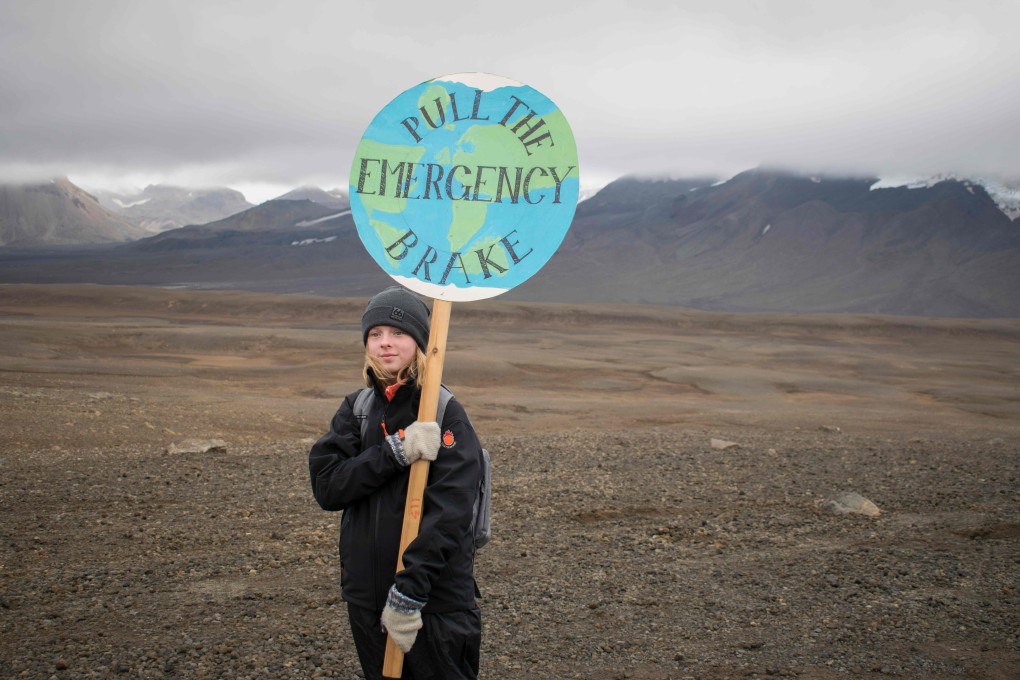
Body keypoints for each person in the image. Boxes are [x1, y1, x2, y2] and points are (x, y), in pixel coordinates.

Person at [309, 286, 484, 680]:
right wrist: (394, 452)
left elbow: (451, 514)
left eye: (398, 333)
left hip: (432, 603)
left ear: (420, 341)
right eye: (375, 334)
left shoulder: (443, 412)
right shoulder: (357, 410)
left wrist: (410, 592)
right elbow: (328, 487)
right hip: (367, 600)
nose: (385, 343)